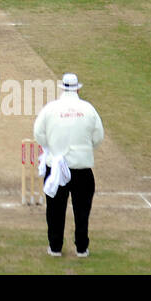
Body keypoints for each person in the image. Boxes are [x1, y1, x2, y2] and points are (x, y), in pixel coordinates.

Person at [33, 73, 104, 258]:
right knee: (82, 211)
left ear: (62, 88)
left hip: (56, 167)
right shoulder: (88, 109)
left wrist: (52, 147)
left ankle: (55, 247)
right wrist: (84, 150)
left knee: (55, 210)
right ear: (78, 88)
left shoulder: (51, 108)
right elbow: (98, 137)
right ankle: (82, 248)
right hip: (82, 168)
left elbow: (38, 133)